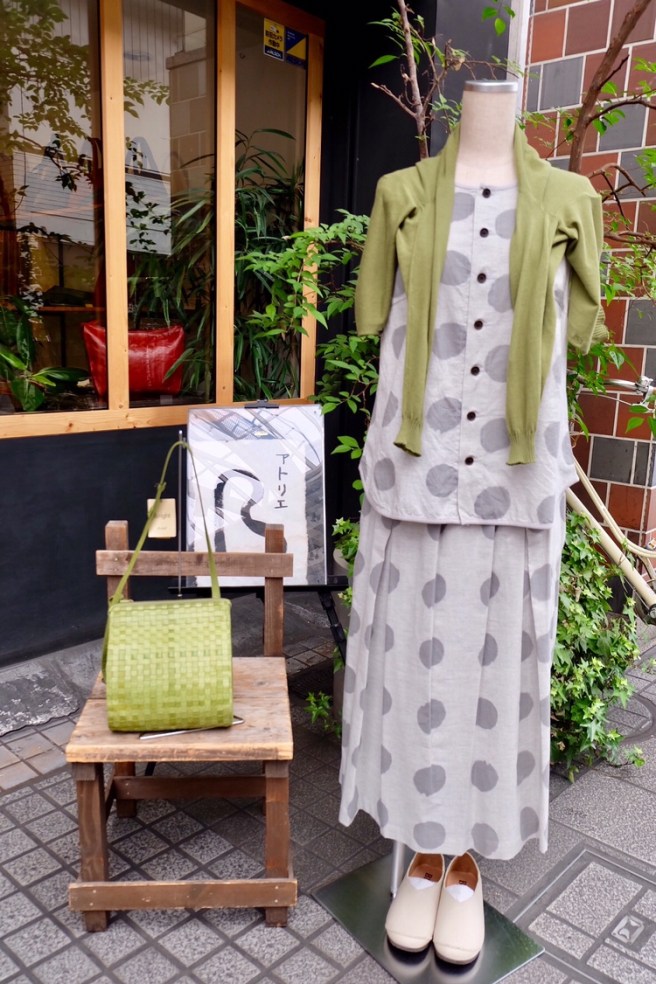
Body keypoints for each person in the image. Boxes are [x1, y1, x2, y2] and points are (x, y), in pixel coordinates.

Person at [338, 78, 607, 962]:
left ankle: (464, 867)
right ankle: (421, 855)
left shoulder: (571, 201)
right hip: (413, 480)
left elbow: (583, 329)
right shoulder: (401, 195)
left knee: (494, 676)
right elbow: (375, 315)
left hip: (512, 484)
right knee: (412, 670)